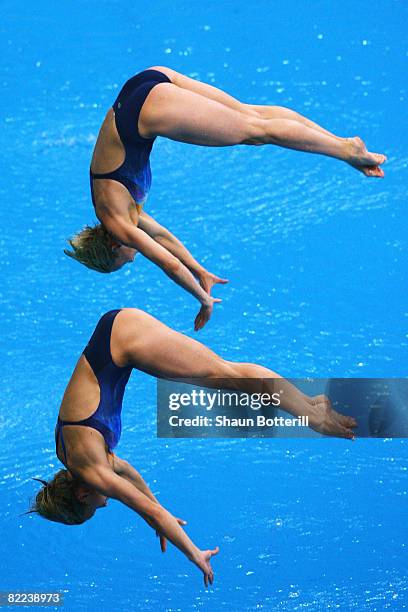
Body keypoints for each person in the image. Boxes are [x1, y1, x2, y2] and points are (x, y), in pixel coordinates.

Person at [29, 308, 357, 585]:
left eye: (96, 507)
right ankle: (309, 403)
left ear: (81, 495)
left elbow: (147, 508)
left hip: (122, 339)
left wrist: (193, 553)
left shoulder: (93, 472)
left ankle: (314, 417)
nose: (105, 504)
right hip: (116, 336)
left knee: (226, 375)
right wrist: (158, 519)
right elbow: (130, 476)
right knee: (225, 378)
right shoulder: (72, 458)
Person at [64, 67, 387, 329]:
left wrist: (201, 299)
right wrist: (201, 271)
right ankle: (340, 143)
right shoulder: (121, 211)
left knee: (257, 131)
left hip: (147, 109)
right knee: (254, 118)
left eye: (123, 262)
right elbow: (164, 239)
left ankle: (346, 151)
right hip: (147, 82)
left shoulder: (118, 223)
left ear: (111, 247)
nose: (132, 259)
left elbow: (167, 263)